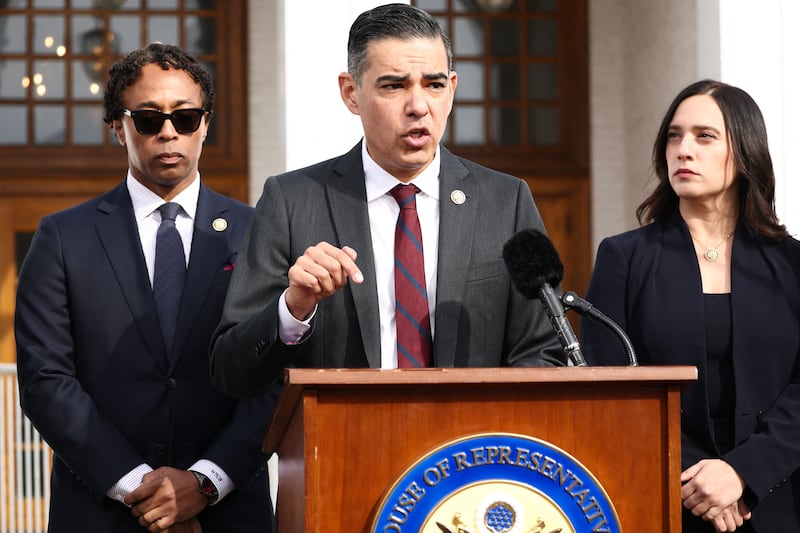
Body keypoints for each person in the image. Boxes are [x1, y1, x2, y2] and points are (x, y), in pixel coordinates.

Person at [210, 3, 564, 398]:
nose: (417, 106)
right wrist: (293, 308)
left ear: (452, 89)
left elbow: (543, 353)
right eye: (394, 86)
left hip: (470, 452)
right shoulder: (292, 202)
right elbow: (230, 371)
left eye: (434, 85)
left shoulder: (506, 201)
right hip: (347, 450)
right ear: (351, 93)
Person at [14, 43, 276, 533]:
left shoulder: (259, 231)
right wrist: (142, 489)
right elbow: (46, 380)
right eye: (149, 119)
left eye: (187, 116)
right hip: (101, 512)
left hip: (228, 513)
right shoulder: (62, 238)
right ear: (118, 125)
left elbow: (273, 377)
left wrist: (203, 483)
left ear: (206, 123)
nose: (170, 132)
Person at [581, 79, 800, 532]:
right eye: (674, 136)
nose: (684, 149)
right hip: (662, 495)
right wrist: (702, 481)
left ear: (744, 151)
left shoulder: (793, 263)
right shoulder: (623, 258)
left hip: (779, 497)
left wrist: (743, 472)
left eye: (705, 136)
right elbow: (611, 390)